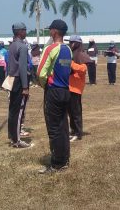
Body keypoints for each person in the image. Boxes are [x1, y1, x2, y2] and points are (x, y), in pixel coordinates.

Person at [37, 19, 72, 174]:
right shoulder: (68, 49)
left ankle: (57, 164)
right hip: (66, 90)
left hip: (54, 90)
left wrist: (45, 85)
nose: (49, 32)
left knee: (54, 128)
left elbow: (40, 72)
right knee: (63, 126)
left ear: (54, 32)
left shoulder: (51, 48)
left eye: (50, 30)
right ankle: (64, 159)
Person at [7, 23, 32, 148]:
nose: (26, 32)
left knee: (12, 110)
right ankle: (17, 140)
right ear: (20, 31)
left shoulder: (11, 46)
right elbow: (22, 67)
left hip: (12, 79)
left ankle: (12, 136)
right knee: (19, 111)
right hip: (20, 80)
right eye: (25, 30)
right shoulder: (22, 46)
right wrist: (25, 86)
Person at [67, 35, 90, 142]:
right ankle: (73, 130)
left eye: (72, 42)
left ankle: (78, 132)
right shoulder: (70, 54)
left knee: (76, 111)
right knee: (70, 111)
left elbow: (83, 69)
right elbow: (65, 64)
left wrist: (71, 64)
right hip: (69, 85)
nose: (70, 44)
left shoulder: (81, 54)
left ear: (77, 43)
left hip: (76, 87)